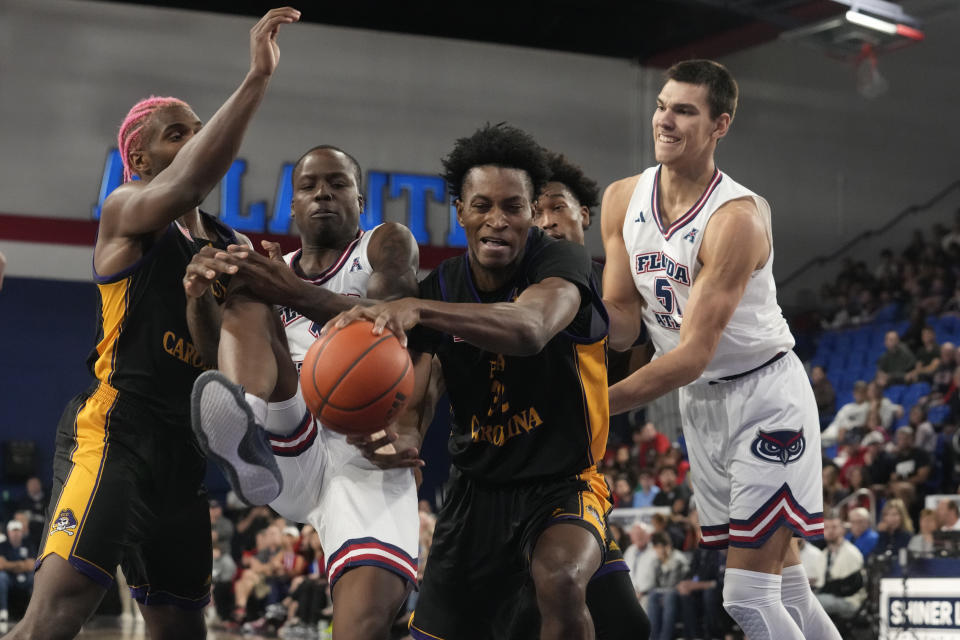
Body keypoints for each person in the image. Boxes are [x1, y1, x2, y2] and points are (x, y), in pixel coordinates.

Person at [9, 9, 300, 640]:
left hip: (186, 448)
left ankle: (249, 433)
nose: (195, 141)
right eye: (179, 134)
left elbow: (219, 352)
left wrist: (261, 295)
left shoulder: (229, 244)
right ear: (138, 155)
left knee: (179, 628)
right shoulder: (126, 211)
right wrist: (256, 77)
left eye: (199, 132)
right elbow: (194, 176)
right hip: (118, 430)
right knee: (54, 619)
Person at [329, 123, 619, 640]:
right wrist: (405, 439)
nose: (498, 221)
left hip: (562, 484)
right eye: (482, 205)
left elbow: (530, 329)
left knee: (561, 580)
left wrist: (418, 307)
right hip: (472, 496)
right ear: (459, 211)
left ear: (532, 212)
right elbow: (420, 395)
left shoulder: (559, 261)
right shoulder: (443, 286)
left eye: (513, 207)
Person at [600, 59, 837, 639]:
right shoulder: (621, 198)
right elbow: (623, 323)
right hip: (700, 407)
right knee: (785, 588)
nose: (665, 120)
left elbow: (690, 354)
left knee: (748, 597)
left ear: (719, 125)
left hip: (764, 397)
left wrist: (590, 404)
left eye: (685, 110)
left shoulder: (736, 219)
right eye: (662, 105)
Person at [186, 145, 421, 638]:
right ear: (292, 205)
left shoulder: (384, 244)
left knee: (360, 625)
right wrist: (199, 298)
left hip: (363, 448)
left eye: (337, 183)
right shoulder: (272, 268)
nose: (323, 195)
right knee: (245, 287)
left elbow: (388, 313)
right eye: (310, 186)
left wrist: (289, 291)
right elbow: (214, 354)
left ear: (360, 199)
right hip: (286, 438)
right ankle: (243, 425)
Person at [815, 515, 865, 622]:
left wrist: (826, 588)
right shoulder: (823, 554)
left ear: (843, 529)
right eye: (826, 527)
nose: (830, 531)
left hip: (849, 600)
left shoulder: (852, 553)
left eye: (834, 527)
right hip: (829, 596)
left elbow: (850, 586)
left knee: (815, 602)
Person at [646, 531, 689, 640]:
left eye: (661, 547)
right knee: (652, 596)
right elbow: (653, 585)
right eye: (656, 548)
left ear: (668, 546)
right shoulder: (656, 561)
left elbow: (672, 584)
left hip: (681, 594)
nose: (659, 551)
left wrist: (660, 591)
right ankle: (653, 637)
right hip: (664, 594)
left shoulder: (677, 559)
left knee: (668, 595)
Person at [0, 521, 36, 626]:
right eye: (13, 531)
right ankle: (3, 613)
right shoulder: (2, 545)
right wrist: (20, 564)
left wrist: (10, 565)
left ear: (22, 532)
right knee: (1, 577)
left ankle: (34, 613)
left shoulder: (28, 544)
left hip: (26, 577)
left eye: (18, 531)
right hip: (9, 578)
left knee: (35, 578)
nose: (15, 534)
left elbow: (32, 565)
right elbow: (1, 565)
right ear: (9, 532)